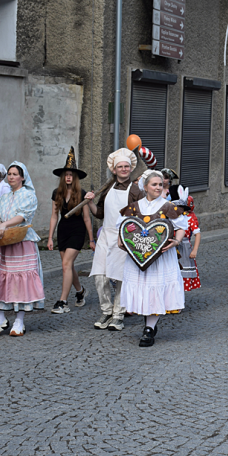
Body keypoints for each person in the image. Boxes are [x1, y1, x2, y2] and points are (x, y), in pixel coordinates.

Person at [118, 170, 187, 347]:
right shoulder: (134, 207)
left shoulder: (168, 206)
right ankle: (148, 322)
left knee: (155, 288)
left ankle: (149, 329)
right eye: (154, 184)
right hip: (139, 255)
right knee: (143, 288)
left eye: (160, 184)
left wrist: (176, 242)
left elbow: (181, 227)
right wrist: (121, 241)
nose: (158, 187)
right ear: (145, 187)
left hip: (161, 256)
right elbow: (124, 226)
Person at [0, 162, 44, 337]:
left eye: (15, 174)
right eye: (10, 174)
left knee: (19, 280)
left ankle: (19, 320)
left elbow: (22, 216)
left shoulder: (29, 195)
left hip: (21, 241)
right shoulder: (5, 196)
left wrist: (5, 225)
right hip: (1, 242)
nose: (12, 177)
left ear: (22, 177)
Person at [85, 148, 143, 331]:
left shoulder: (136, 191)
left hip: (124, 238)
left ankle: (118, 314)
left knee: (120, 277)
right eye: (121, 167)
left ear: (130, 168)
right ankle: (106, 311)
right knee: (100, 276)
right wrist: (90, 202)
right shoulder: (107, 189)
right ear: (114, 169)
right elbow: (100, 213)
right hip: (105, 235)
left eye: (127, 166)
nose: (124, 169)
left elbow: (141, 217)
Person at [47, 147, 95, 314]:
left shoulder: (81, 193)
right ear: (62, 177)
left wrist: (91, 239)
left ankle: (63, 301)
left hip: (77, 230)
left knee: (67, 264)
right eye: (66, 174)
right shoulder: (57, 193)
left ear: (74, 177)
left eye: (71, 175)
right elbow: (54, 216)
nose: (68, 177)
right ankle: (80, 291)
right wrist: (50, 237)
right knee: (67, 265)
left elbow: (87, 218)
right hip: (63, 230)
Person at [174, 188, 201, 292]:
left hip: (184, 248)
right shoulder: (172, 219)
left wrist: (194, 250)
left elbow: (197, 234)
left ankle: (180, 298)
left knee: (183, 273)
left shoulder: (188, 218)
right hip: (172, 248)